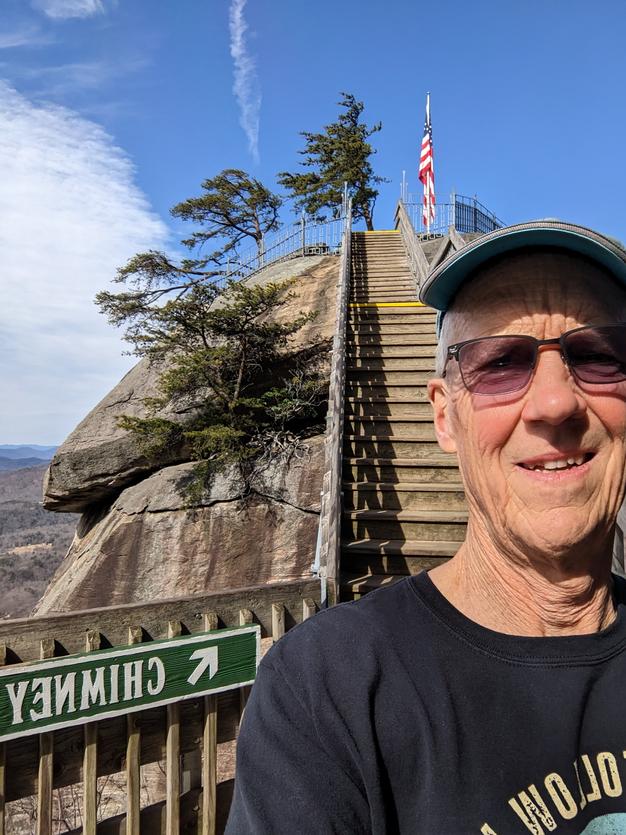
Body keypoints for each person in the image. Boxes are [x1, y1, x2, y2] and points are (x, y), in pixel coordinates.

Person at [225, 220, 626, 834]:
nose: (555, 403)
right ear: (444, 417)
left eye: (598, 355)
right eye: (500, 363)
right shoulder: (328, 690)